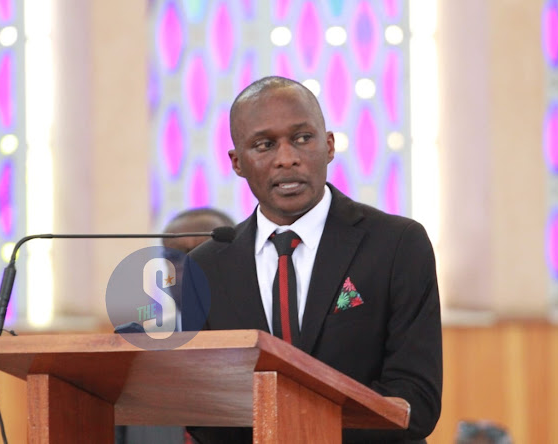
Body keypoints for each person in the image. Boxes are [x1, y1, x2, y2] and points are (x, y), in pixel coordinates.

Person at [187, 76, 442, 443]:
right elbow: (203, 408)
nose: (287, 158)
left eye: (302, 139)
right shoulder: (206, 267)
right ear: (237, 162)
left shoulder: (397, 245)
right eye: (264, 145)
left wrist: (305, 432)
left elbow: (416, 400)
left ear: (329, 145)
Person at [115, 207, 235, 444]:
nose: (189, 266)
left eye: (203, 252)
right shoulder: (134, 348)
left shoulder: (263, 337)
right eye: (175, 258)